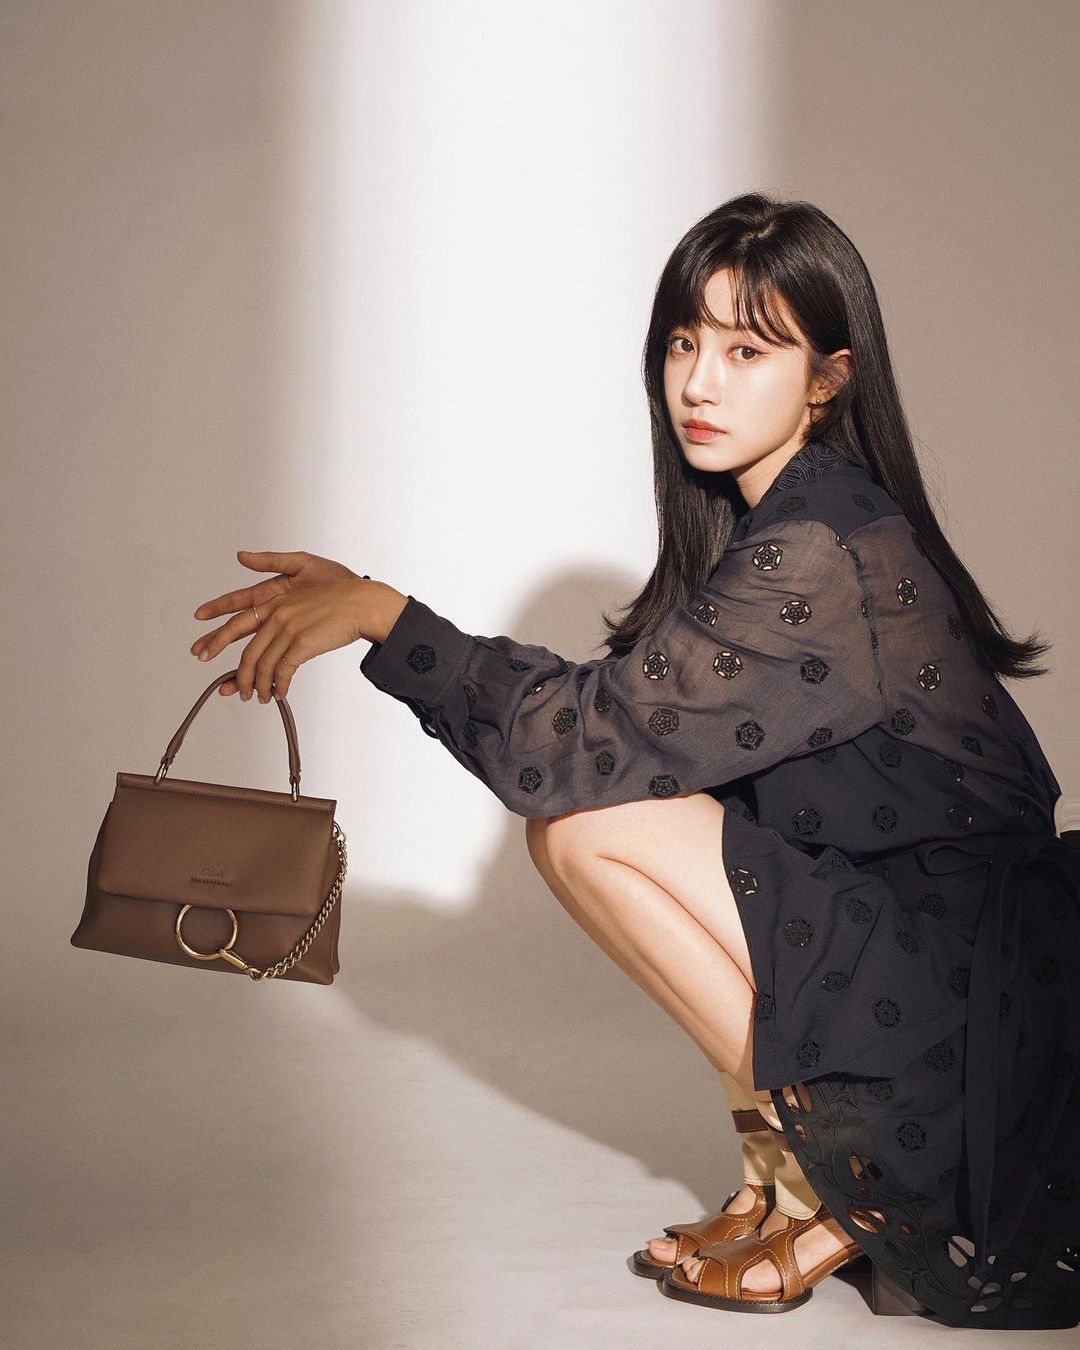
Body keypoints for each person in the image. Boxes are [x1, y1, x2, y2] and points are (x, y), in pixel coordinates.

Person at [189, 192, 1080, 1329]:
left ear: (827, 379)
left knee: (586, 825)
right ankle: (782, 1173)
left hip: (978, 990)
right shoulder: (778, 523)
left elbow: (576, 745)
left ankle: (835, 1187)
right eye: (683, 342)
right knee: (579, 828)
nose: (700, 383)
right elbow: (629, 732)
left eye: (748, 351)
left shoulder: (820, 547)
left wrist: (382, 614)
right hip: (913, 946)